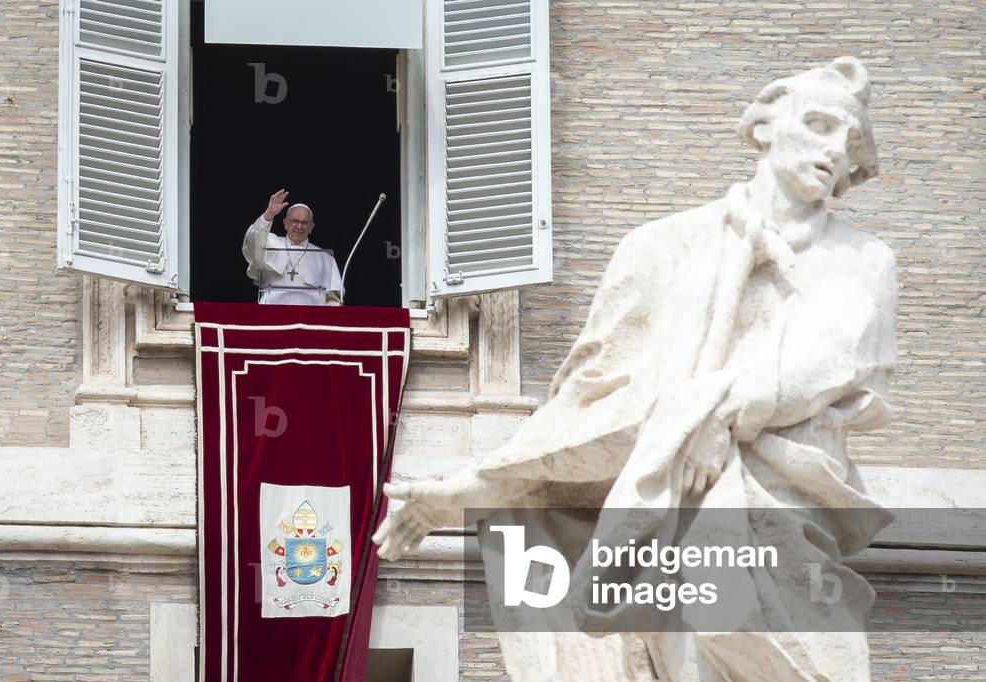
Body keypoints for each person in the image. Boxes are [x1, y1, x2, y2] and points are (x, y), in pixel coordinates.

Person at [373, 57, 896, 681]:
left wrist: (711, 414)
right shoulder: (658, 247)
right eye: (819, 124)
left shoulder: (861, 262)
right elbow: (593, 402)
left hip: (777, 505)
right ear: (762, 127)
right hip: (648, 517)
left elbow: (825, 362)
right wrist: (482, 485)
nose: (836, 149)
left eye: (852, 141)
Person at [243, 189, 343, 306]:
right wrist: (269, 214)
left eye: (304, 222)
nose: (299, 226)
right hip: (271, 315)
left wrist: (324, 318)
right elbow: (251, 243)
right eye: (295, 221)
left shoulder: (324, 257)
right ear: (286, 223)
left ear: (311, 227)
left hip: (311, 320)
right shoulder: (269, 243)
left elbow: (334, 298)